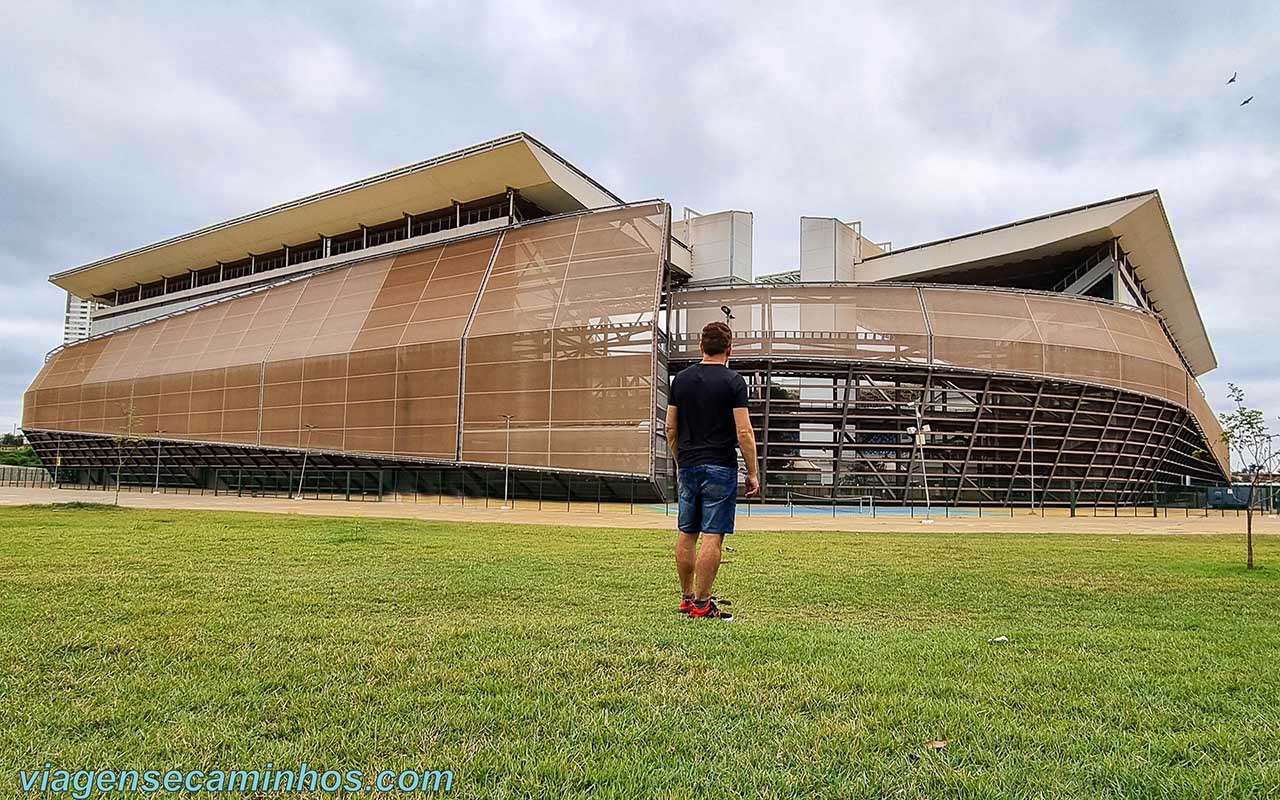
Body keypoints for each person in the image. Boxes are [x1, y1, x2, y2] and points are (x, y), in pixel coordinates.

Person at [665, 321, 759, 621]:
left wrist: (679, 460)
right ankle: (703, 605)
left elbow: (670, 427)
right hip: (720, 465)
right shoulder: (733, 382)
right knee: (712, 536)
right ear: (729, 349)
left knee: (686, 533)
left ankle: (686, 597)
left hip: (689, 464)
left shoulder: (680, 380)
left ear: (701, 347)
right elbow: (744, 431)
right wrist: (753, 472)